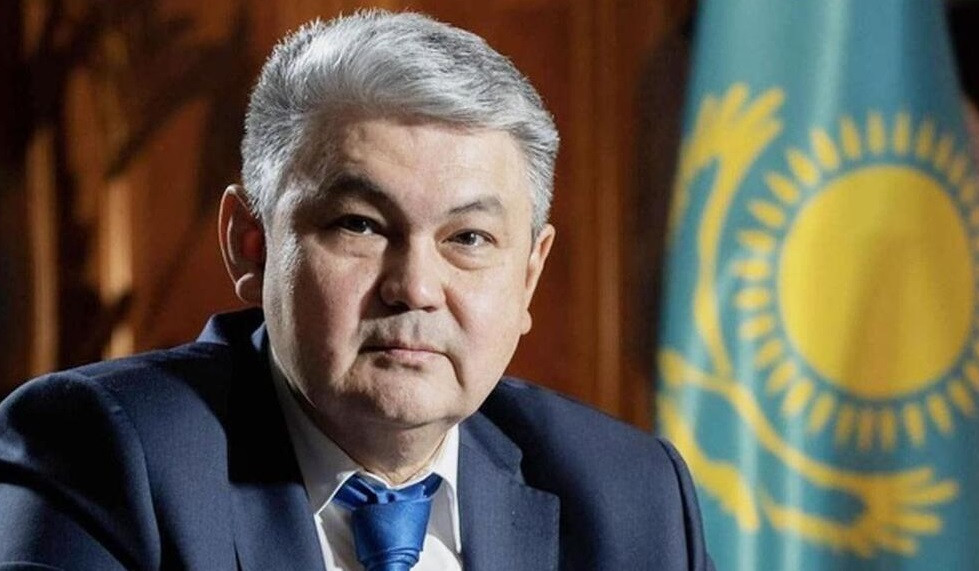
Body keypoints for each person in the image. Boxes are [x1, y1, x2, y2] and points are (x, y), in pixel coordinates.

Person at [0, 10, 713, 571]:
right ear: (251, 244)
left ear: (528, 274)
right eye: (360, 225)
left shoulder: (631, 494)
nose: (416, 288)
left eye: (467, 238)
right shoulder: (104, 453)